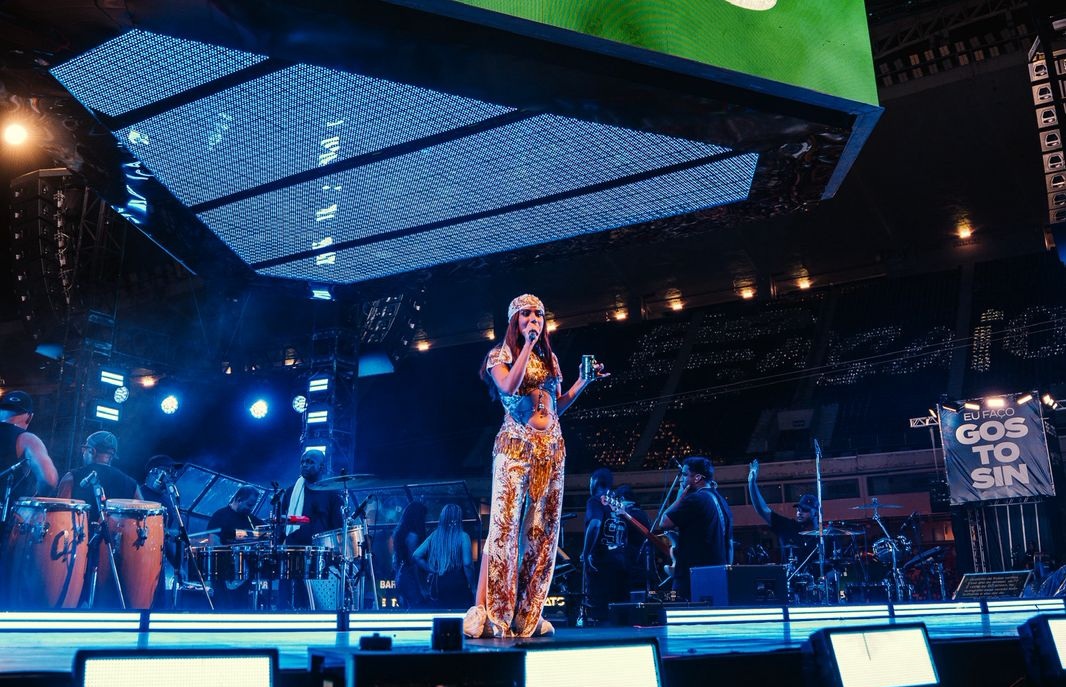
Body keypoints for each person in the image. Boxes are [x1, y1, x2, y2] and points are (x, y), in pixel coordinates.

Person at [464, 293, 606, 639]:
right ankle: (491, 611)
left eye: (539, 315)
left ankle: (526, 614)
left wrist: (583, 382)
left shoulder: (550, 358)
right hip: (515, 447)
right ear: (515, 320)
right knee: (505, 527)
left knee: (542, 532)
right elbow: (509, 385)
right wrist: (526, 346)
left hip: (551, 450)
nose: (534, 320)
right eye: (526, 314)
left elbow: (556, 406)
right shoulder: (500, 356)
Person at [653, 456, 733, 601]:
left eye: (684, 475)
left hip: (692, 574)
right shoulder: (721, 500)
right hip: (716, 573)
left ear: (697, 478)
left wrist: (681, 495)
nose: (681, 479)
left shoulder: (695, 499)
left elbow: (664, 522)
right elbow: (729, 542)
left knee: (678, 606)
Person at [279, 449, 343, 609]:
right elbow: (282, 523)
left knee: (315, 603)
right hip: (292, 553)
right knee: (288, 600)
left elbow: (338, 528)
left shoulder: (331, 493)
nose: (305, 465)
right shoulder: (290, 491)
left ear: (322, 467)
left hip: (319, 557)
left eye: (310, 462)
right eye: (302, 462)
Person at [747, 459, 818, 563]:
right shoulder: (788, 526)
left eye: (805, 510)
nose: (799, 512)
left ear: (816, 513)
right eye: (798, 509)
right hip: (790, 573)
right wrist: (751, 484)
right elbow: (762, 510)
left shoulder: (825, 536)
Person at [57, 431, 141, 518]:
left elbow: (59, 515)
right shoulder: (132, 485)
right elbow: (142, 518)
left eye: (85, 449)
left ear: (92, 451)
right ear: (112, 456)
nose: (83, 453)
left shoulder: (71, 477)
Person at [581, 468, 628, 623]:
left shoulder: (595, 501)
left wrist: (586, 553)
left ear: (595, 482)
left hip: (600, 561)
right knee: (617, 611)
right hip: (620, 561)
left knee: (599, 612)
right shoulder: (618, 504)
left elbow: (595, 525)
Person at [206, 485, 264, 609]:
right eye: (249, 505)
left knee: (242, 608)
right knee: (223, 608)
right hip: (223, 575)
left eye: (253, 506)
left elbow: (266, 534)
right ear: (239, 499)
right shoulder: (220, 516)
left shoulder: (252, 520)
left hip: (245, 575)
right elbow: (213, 544)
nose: (251, 509)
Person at [413, 503, 474, 609]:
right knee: (460, 615)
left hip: (439, 583)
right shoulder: (463, 536)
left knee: (441, 614)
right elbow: (467, 563)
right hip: (458, 584)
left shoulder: (435, 535)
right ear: (458, 518)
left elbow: (416, 555)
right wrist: (473, 585)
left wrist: (431, 569)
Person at [0, 390, 58, 502]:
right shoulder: (27, 439)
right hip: (6, 510)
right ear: (30, 417)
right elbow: (49, 480)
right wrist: (30, 501)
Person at [392, 500, 428, 609]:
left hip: (402, 575)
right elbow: (414, 562)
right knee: (418, 608)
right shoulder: (413, 536)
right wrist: (421, 586)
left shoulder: (401, 534)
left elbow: (396, 559)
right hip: (411, 578)